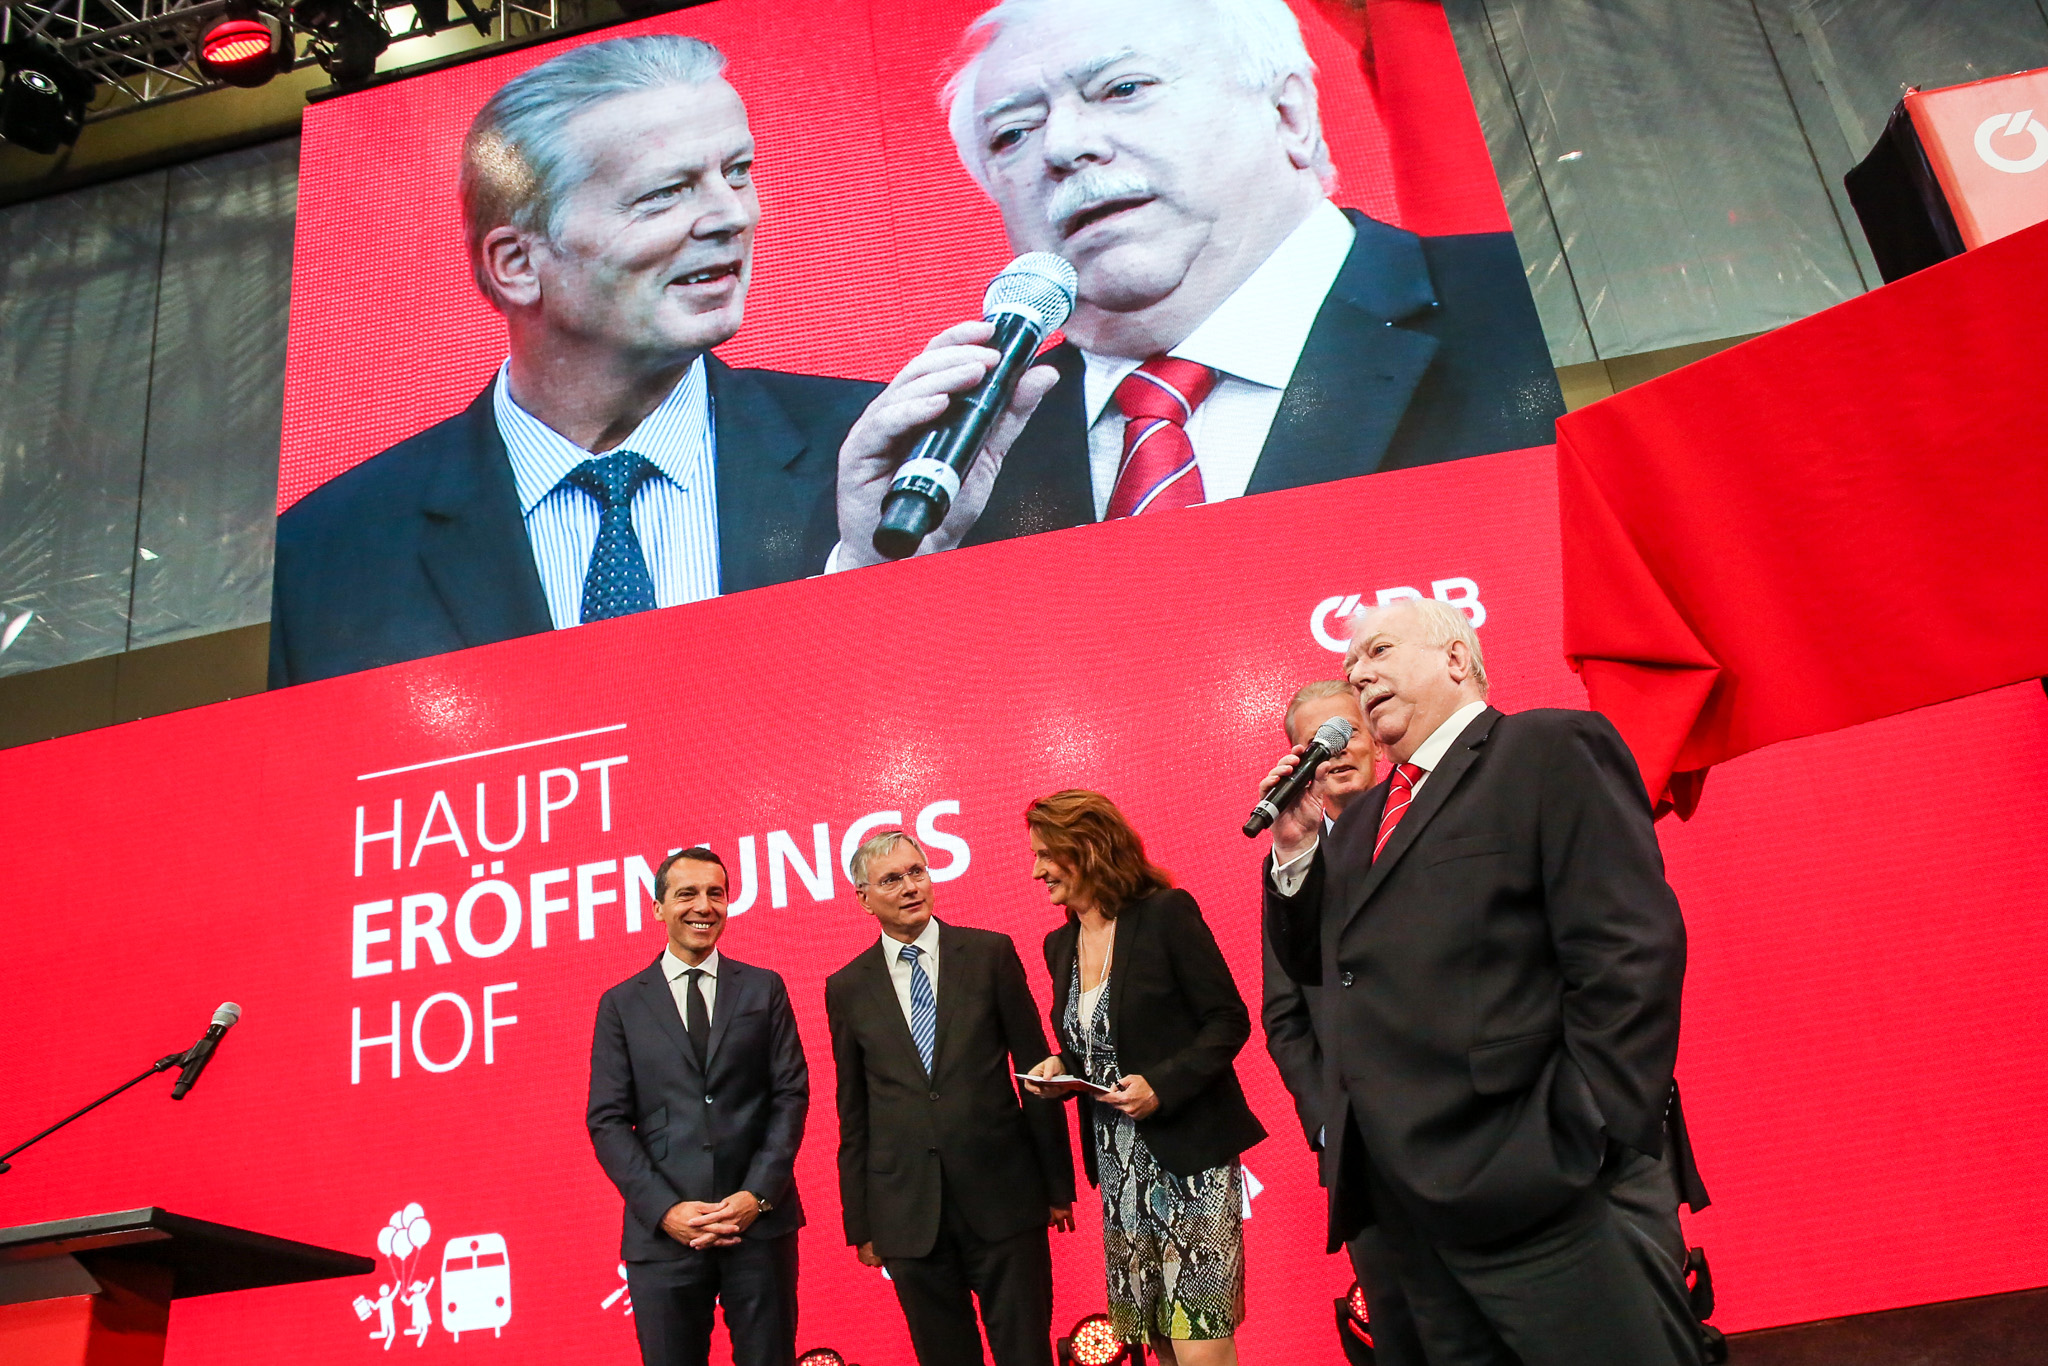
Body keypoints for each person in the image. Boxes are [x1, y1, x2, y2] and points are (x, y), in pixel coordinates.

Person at [830, 0, 1560, 567]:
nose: (1063, 146)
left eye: (1121, 89)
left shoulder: (1532, 310)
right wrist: (884, 569)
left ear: (1290, 114)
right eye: (1011, 135)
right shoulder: (945, 459)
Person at [271, 35, 879, 686]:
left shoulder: (879, 454)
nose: (732, 215)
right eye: (666, 192)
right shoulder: (325, 555)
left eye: (737, 171)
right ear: (518, 265)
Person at [1259, 598, 1701, 1366]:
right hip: (1410, 1214)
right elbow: (1319, 969)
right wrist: (1295, 848)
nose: (1359, 674)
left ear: (1456, 658)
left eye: (1379, 651)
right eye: (1350, 666)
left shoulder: (1547, 748)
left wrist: (1581, 1131)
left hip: (1541, 1189)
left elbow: (1630, 951)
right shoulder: (1361, 821)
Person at [1020, 791, 1264, 1366]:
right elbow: (1098, 1045)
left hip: (1190, 1168)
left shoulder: (1165, 914)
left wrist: (1162, 1084)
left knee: (1201, 1337)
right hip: (1118, 1176)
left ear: (1087, 848)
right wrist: (1062, 1067)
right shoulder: (1059, 945)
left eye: (1045, 854)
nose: (1035, 871)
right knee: (1158, 1345)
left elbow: (1228, 1020)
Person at [825, 829, 1077, 1366]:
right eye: (891, 879)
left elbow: (1037, 1074)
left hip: (1005, 1200)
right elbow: (855, 1112)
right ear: (864, 898)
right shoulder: (846, 986)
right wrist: (863, 1224)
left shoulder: (989, 953)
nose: (911, 886)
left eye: (917, 871)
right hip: (908, 1216)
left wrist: (1057, 1185)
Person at [1258, 682, 1430, 1366]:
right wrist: (1328, 1122)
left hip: (1465, 1127)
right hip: (1361, 1146)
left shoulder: (1433, 823)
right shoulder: (1289, 865)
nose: (1335, 753)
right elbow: (1285, 1016)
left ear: (1377, 738)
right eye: (1314, 745)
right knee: (1400, 1328)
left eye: (1347, 734)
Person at [588, 847, 809, 1366]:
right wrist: (666, 1211)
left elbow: (790, 1096)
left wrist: (757, 1196)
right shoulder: (621, 1004)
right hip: (664, 1237)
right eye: (686, 893)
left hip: (757, 1226)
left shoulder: (763, 988)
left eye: (716, 893)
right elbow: (608, 1120)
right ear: (658, 908)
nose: (703, 906)